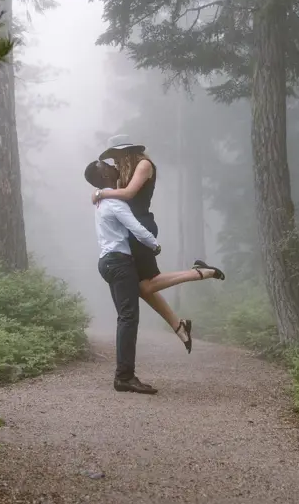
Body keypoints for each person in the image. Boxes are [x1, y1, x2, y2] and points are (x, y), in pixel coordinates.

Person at [85, 159, 223, 394]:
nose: (111, 166)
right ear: (103, 175)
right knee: (128, 319)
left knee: (140, 296)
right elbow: (136, 228)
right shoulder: (114, 202)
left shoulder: (101, 201)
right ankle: (124, 377)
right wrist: (154, 244)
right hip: (119, 262)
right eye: (105, 165)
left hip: (107, 262)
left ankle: (196, 282)